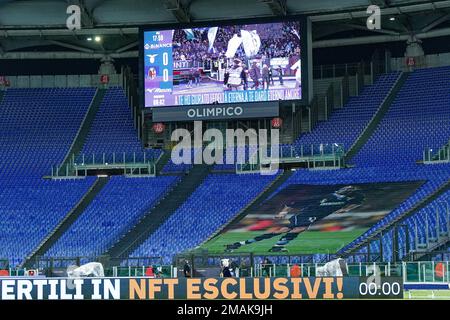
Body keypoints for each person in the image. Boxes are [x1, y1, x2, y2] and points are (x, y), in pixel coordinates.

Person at [226, 185, 365, 253]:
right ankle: (276, 246)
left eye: (347, 190)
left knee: (284, 230)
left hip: (312, 216)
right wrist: (283, 212)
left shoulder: (345, 200)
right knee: (295, 229)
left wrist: (347, 209)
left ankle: (243, 243)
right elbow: (295, 203)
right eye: (346, 190)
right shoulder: (329, 197)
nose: (345, 191)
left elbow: (359, 201)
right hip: (306, 215)